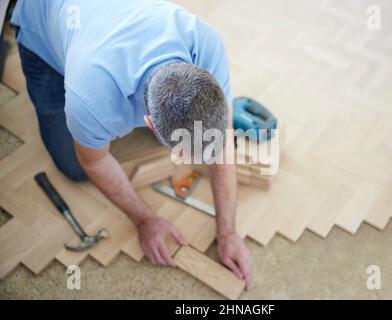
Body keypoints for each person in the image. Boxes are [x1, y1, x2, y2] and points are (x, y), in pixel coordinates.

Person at [11, 0, 252, 288]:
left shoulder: (206, 43)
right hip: (43, 26)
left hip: (111, 21)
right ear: (149, 122)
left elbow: (220, 140)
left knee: (184, 132)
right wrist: (145, 220)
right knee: (75, 166)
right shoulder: (89, 96)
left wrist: (228, 232)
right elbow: (95, 161)